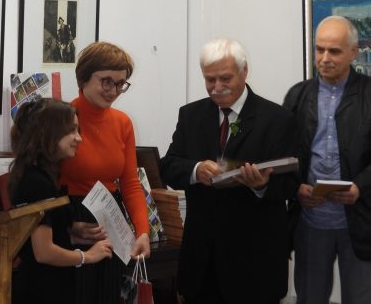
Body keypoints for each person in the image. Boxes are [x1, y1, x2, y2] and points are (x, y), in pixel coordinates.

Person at [160, 38, 298, 304]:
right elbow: (168, 167)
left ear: (244, 72)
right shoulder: (191, 115)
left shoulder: (278, 119)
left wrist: (261, 185)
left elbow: (291, 183)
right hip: (202, 265)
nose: (217, 87)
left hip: (254, 266)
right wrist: (196, 169)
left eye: (225, 78)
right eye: (209, 79)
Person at [283, 15, 371, 304]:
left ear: (353, 52)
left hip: (360, 222)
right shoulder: (298, 95)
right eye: (319, 49)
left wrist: (359, 186)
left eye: (334, 51)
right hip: (310, 221)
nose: (324, 58)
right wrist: (295, 188)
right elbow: (283, 155)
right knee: (309, 297)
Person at [60, 41, 150, 304]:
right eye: (106, 81)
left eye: (120, 84)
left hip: (111, 217)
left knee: (109, 294)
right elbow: (46, 183)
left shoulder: (122, 123)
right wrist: (68, 225)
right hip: (72, 215)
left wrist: (142, 231)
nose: (113, 91)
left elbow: (130, 182)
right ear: (84, 77)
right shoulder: (61, 119)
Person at [8, 98, 113, 304]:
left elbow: (42, 234)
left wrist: (74, 236)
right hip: (41, 289)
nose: (79, 138)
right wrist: (88, 256)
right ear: (48, 133)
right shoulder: (37, 182)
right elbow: (43, 252)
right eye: (71, 130)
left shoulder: (38, 175)